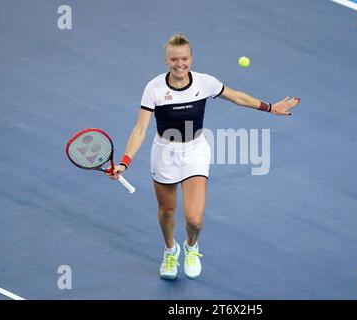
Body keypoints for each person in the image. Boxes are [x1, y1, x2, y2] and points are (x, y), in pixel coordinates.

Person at [107, 34, 300, 280]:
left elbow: (238, 97)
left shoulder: (205, 82)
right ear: (166, 60)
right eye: (174, 59)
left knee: (195, 220)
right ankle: (170, 250)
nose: (180, 64)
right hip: (164, 153)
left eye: (185, 58)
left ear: (192, 58)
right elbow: (140, 129)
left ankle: (191, 247)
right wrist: (125, 162)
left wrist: (271, 107)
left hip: (195, 150)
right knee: (167, 211)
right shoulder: (154, 88)